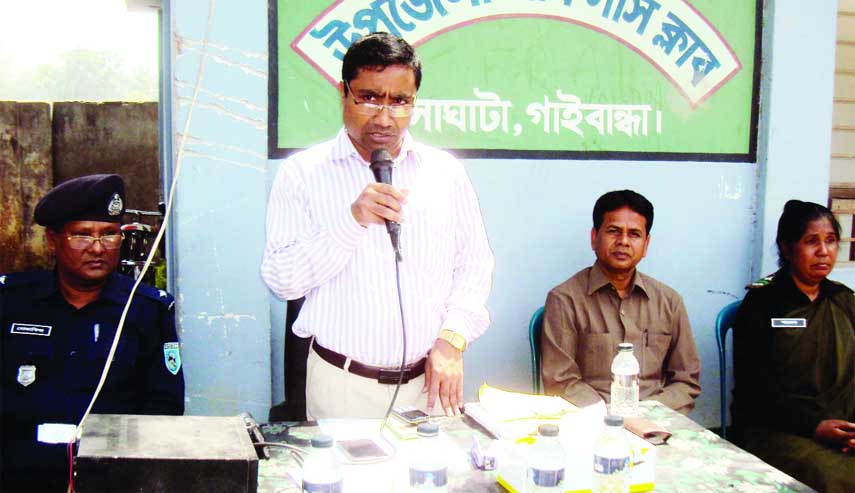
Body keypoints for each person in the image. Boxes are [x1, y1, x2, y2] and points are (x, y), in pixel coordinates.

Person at [260, 32, 493, 420]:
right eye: (369, 97)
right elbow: (282, 279)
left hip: (429, 386)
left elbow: (475, 266)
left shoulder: (445, 173)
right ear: (343, 92)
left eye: (400, 102)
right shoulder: (302, 174)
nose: (385, 117)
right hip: (342, 385)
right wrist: (351, 222)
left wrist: (452, 339)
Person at [1, 174, 185, 492]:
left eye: (110, 234)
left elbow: (164, 406)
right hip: (17, 472)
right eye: (82, 235)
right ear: (53, 240)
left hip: (111, 475)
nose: (98, 247)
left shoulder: (146, 310)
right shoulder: (12, 302)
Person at [731, 200, 855, 493]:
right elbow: (754, 390)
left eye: (831, 241)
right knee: (839, 479)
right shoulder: (762, 304)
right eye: (811, 241)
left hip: (845, 426)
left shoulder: (844, 300)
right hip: (778, 430)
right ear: (787, 249)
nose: (823, 251)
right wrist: (815, 425)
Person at [541, 190, 701, 414]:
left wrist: (650, 414)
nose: (623, 241)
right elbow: (560, 382)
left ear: (646, 244)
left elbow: (686, 382)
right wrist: (611, 416)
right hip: (591, 423)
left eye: (634, 234)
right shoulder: (565, 301)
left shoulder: (669, 302)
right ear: (594, 237)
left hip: (657, 421)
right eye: (614, 231)